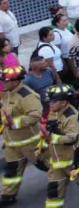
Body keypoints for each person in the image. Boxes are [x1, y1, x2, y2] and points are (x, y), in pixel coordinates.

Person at [0, 65, 43, 205]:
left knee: (48, 165)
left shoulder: (27, 95)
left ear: (16, 81)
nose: (4, 83)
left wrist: (14, 124)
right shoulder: (6, 94)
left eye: (7, 81)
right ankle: (8, 195)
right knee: (11, 170)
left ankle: (78, 176)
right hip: (12, 143)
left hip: (30, 142)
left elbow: (35, 115)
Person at [41, 84, 79, 208]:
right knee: (54, 193)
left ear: (64, 102)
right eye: (49, 101)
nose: (50, 104)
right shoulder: (55, 112)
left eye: (54, 101)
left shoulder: (72, 116)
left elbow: (72, 138)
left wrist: (51, 137)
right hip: (58, 162)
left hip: (74, 162)